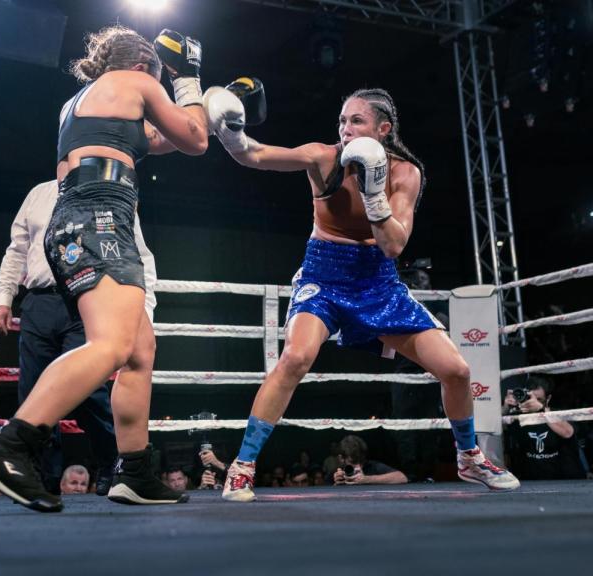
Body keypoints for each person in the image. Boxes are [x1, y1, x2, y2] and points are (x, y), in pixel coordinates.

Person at [206, 87, 519, 502]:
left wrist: (375, 196)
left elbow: (393, 246)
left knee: (457, 371)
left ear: (383, 129)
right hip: (323, 275)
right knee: (296, 357)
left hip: (377, 282)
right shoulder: (323, 157)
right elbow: (254, 155)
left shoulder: (405, 173)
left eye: (357, 121)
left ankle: (469, 457)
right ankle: (243, 467)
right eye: (342, 121)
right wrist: (230, 132)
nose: (346, 129)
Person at [0, 24, 212, 513]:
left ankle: (135, 473)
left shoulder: (89, 99)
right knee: (113, 345)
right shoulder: (136, 82)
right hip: (99, 213)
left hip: (80, 217)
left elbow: (162, 139)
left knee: (139, 350)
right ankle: (12, 444)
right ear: (145, 66)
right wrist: (189, 81)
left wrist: (219, 117)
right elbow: (194, 138)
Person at [0, 178, 158, 496]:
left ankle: (113, 463)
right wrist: (3, 299)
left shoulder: (113, 193)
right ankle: (42, 479)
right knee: (33, 392)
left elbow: (139, 256)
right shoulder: (38, 193)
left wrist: (143, 312)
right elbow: (17, 250)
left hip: (87, 299)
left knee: (88, 392)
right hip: (39, 301)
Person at [503, 377, 585, 480]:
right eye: (530, 398)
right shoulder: (518, 418)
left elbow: (567, 432)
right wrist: (504, 409)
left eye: (539, 400)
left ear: (548, 398)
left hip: (566, 481)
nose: (533, 402)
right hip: (532, 484)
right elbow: (494, 430)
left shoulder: (559, 415)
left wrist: (541, 410)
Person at [332, 435, 407, 486]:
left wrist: (367, 479)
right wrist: (336, 485)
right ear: (341, 459)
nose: (359, 467)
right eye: (353, 462)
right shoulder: (337, 473)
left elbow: (402, 477)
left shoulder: (373, 466)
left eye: (361, 461)